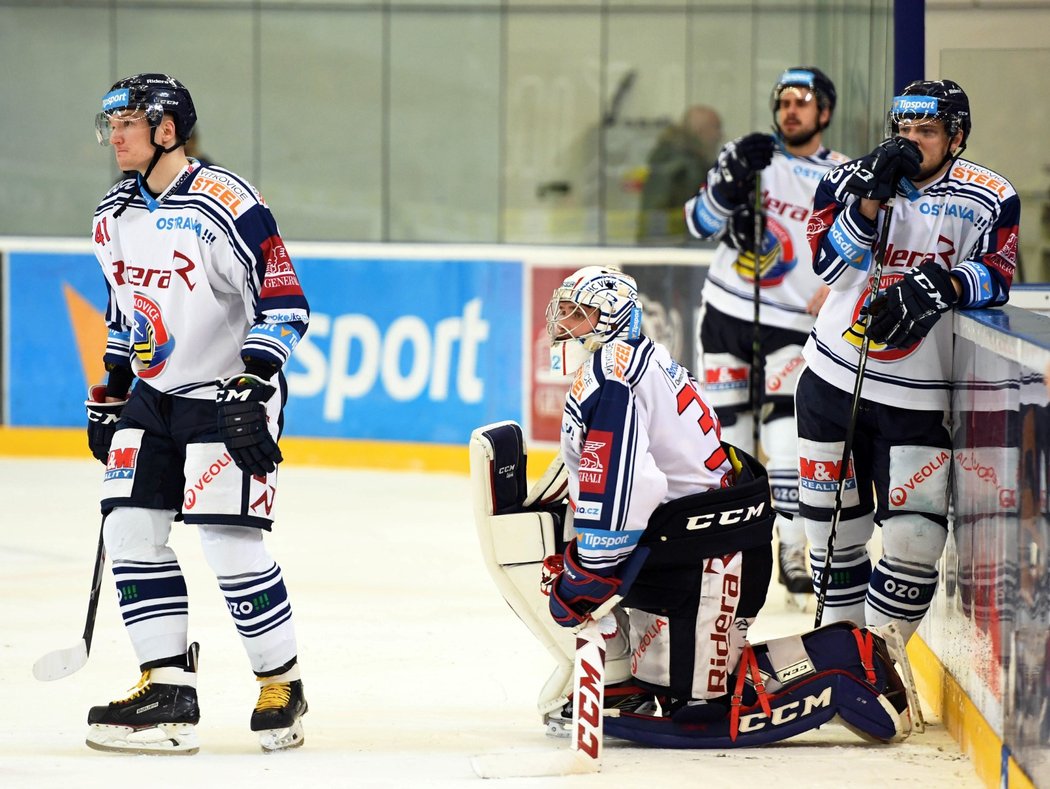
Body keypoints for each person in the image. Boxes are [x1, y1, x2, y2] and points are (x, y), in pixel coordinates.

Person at [469, 266, 915, 748]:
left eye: (581, 316)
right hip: (701, 543)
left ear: (611, 319)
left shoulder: (609, 379)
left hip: (710, 558)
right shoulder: (635, 360)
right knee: (672, 681)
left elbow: (625, 482)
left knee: (700, 710)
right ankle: (847, 651)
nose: (566, 327)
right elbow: (603, 464)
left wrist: (589, 572)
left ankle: (853, 663)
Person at [84, 73, 310, 754]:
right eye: (110, 125)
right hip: (155, 398)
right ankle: (167, 683)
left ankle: (281, 682)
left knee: (227, 540)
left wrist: (255, 379)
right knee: (128, 529)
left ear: (166, 128)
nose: (114, 137)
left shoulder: (227, 202)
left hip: (229, 391)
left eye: (127, 123)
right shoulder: (112, 214)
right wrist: (113, 386)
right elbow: (127, 313)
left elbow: (285, 302)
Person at [799, 79, 1021, 643]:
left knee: (916, 542)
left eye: (927, 131)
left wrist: (942, 285)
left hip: (918, 397)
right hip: (831, 378)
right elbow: (829, 268)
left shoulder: (991, 195)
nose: (913, 141)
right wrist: (870, 197)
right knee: (830, 528)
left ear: (956, 137)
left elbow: (997, 276)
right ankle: (837, 655)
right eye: (904, 129)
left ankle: (883, 665)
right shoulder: (846, 179)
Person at [685, 67, 849, 599]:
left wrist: (843, 284)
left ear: (824, 111)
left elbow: (862, 247)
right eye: (783, 101)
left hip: (793, 323)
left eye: (803, 101)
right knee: (726, 437)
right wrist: (726, 186)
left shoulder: (844, 174)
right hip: (728, 311)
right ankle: (729, 549)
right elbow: (699, 222)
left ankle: (794, 545)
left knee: (784, 440)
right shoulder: (750, 156)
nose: (791, 111)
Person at [637, 105, 723, 244]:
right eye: (716, 127)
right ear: (701, 131)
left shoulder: (686, 161)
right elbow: (656, 213)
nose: (720, 135)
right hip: (671, 249)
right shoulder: (682, 167)